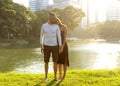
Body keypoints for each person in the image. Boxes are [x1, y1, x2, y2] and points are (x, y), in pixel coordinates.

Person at [40, 13, 62, 80]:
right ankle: (46, 77)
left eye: (55, 18)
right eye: (54, 19)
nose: (55, 20)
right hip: (46, 46)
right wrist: (41, 45)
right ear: (50, 18)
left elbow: (59, 37)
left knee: (55, 61)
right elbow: (41, 36)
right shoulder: (44, 26)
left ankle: (55, 77)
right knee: (46, 62)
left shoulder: (56, 26)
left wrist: (60, 46)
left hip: (55, 46)